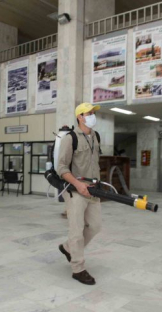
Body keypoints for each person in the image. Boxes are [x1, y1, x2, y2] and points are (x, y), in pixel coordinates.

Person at [56, 102, 101, 285]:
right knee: (76, 231)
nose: (92, 116)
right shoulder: (70, 138)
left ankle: (68, 248)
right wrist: (77, 184)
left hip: (93, 189)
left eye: (92, 113)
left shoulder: (95, 136)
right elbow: (61, 168)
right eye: (88, 113)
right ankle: (78, 268)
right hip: (75, 191)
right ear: (80, 117)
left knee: (95, 226)